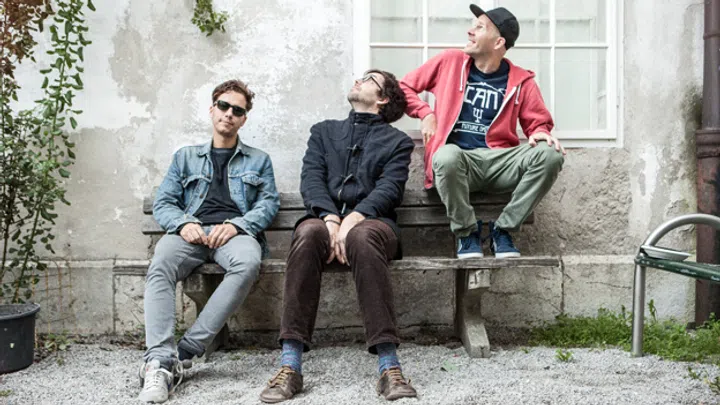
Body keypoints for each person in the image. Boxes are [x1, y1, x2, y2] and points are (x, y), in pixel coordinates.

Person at [259, 70, 417, 403]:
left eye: (370, 79)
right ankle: (290, 366)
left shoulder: (398, 142)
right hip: (324, 220)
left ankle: (389, 367)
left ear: (383, 98)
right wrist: (331, 218)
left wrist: (353, 220)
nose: (359, 80)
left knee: (362, 237)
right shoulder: (324, 132)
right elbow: (311, 179)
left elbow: (390, 189)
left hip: (375, 225)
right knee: (307, 232)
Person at [139, 80, 280, 403]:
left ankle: (186, 350)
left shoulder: (259, 160)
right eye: (224, 106)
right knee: (161, 263)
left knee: (248, 263)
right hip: (192, 233)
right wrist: (183, 223)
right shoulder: (185, 157)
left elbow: (268, 203)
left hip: (234, 235)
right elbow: (164, 202)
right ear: (212, 109)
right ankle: (158, 361)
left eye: (237, 110)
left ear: (244, 119)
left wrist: (238, 225)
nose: (229, 114)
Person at [400, 4, 565, 259]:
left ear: (498, 42)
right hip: (460, 163)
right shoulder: (450, 61)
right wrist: (426, 113)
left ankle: (504, 230)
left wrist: (540, 131)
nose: (470, 31)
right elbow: (403, 88)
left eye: (479, 27)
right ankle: (467, 233)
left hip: (500, 163)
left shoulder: (522, 81)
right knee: (446, 155)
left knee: (551, 154)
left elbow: (537, 122)